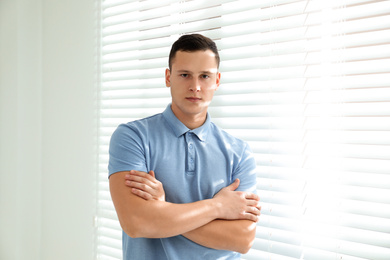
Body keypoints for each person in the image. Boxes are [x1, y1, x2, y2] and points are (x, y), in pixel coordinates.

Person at [108, 34, 261, 260]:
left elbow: (242, 239)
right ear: (169, 77)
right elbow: (137, 222)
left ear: (217, 81)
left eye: (205, 76)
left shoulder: (239, 153)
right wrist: (218, 207)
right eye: (185, 75)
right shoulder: (133, 137)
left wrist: (162, 210)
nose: (195, 87)